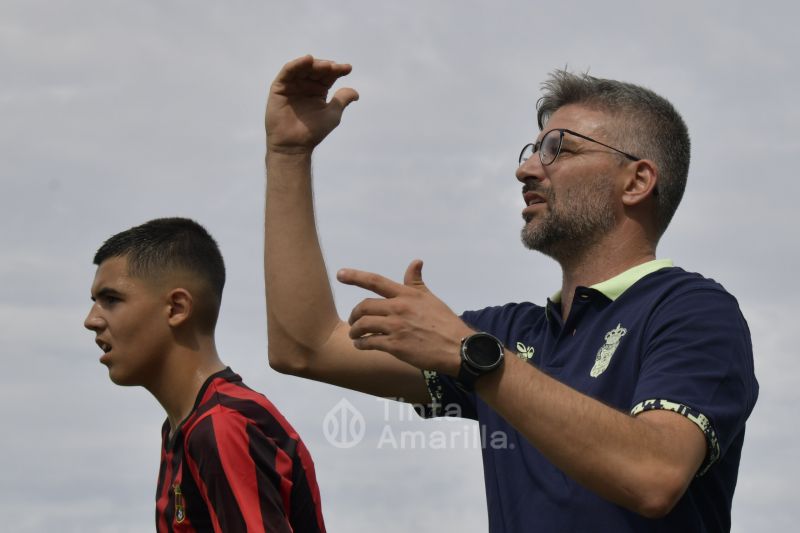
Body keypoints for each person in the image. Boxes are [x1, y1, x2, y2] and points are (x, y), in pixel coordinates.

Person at [264, 55, 758, 532]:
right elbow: (306, 348)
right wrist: (289, 154)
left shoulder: (693, 311)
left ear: (637, 181)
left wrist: (477, 360)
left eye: (559, 149)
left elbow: (655, 475)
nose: (526, 170)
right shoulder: (508, 334)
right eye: (530, 151)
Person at [84, 217, 326, 533]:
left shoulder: (222, 425)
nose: (91, 320)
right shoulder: (188, 427)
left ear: (176, 308)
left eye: (111, 300)